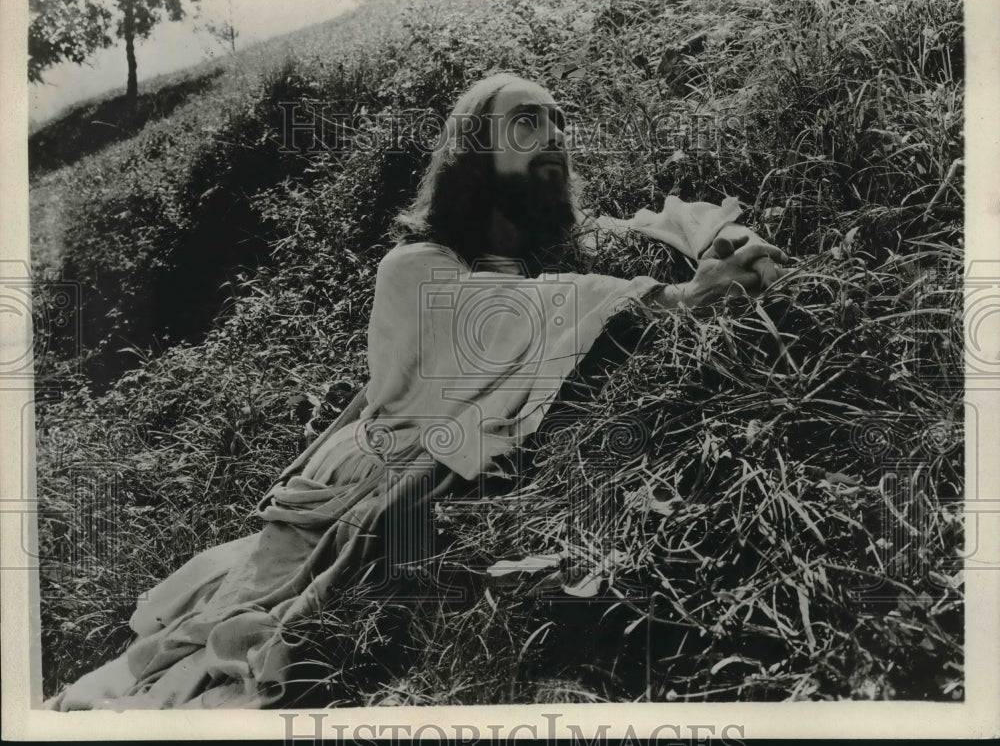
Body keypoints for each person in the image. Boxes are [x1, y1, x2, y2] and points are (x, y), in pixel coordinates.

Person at [46, 72, 788, 710]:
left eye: (561, 121)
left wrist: (721, 243)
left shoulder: (547, 249)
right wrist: (680, 297)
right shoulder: (414, 265)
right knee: (215, 640)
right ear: (475, 152)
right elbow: (510, 316)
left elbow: (659, 224)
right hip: (357, 475)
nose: (555, 134)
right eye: (528, 122)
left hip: (444, 454)